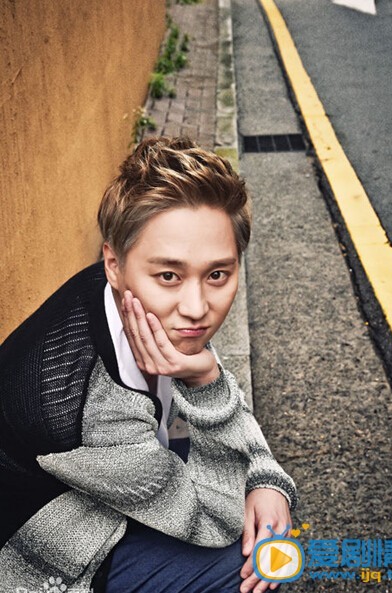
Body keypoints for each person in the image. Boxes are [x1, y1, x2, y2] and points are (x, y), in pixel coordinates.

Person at [0, 136, 297, 593]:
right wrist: (205, 379)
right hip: (39, 553)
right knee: (252, 562)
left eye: (217, 273)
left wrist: (265, 477)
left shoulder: (138, 293)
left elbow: (223, 422)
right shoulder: (92, 409)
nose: (196, 307)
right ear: (114, 264)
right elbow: (219, 519)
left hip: (103, 481)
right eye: (169, 275)